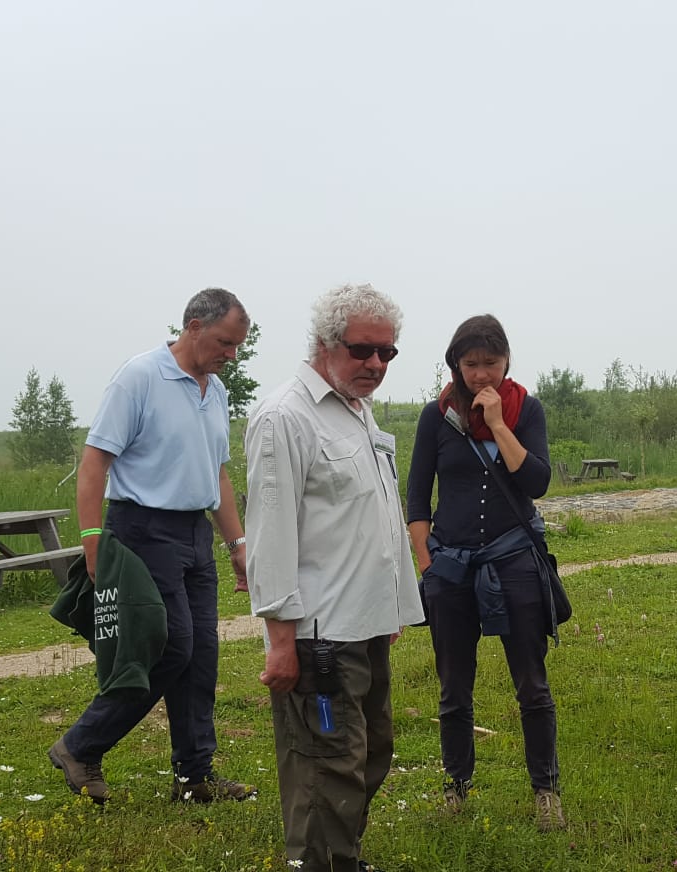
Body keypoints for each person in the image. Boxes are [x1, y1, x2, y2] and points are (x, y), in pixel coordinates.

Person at [48, 287, 254, 805]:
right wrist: (92, 540)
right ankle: (81, 744)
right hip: (141, 530)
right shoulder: (140, 377)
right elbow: (95, 462)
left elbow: (219, 474)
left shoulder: (216, 391)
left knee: (201, 654)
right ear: (192, 326)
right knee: (168, 646)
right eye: (225, 343)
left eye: (237, 347)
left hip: (192, 535)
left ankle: (194, 776)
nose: (231, 355)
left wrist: (237, 541)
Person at [243, 283, 423, 872]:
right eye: (363, 350)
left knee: (369, 754)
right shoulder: (284, 418)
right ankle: (320, 862)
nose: (376, 364)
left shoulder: (355, 411)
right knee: (327, 764)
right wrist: (282, 641)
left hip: (366, 624)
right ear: (325, 343)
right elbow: (271, 537)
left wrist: (394, 606)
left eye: (387, 353)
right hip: (320, 633)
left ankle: (340, 856)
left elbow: (374, 519)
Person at [405, 314, 564, 831]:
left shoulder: (526, 410)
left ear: (507, 361)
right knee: (454, 686)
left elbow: (537, 481)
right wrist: (427, 564)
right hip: (449, 566)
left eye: (489, 364)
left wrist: (498, 424)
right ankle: (456, 788)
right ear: (456, 364)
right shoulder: (437, 417)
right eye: (470, 365)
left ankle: (545, 791)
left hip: (513, 560)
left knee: (532, 685)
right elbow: (416, 496)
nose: (480, 375)